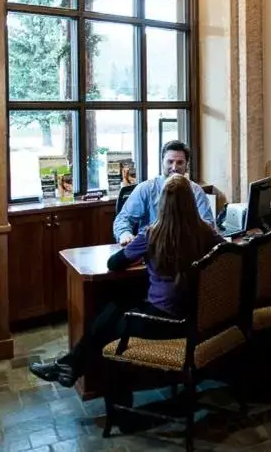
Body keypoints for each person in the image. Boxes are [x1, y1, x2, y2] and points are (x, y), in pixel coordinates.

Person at [30, 174, 225, 387]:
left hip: (163, 322)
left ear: (162, 203)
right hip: (195, 318)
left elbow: (114, 263)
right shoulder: (205, 231)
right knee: (115, 307)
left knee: (106, 319)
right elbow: (225, 251)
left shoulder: (152, 234)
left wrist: (140, 256)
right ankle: (69, 367)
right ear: (191, 201)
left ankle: (89, 379)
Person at [113, 140, 215, 245]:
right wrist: (125, 235)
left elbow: (208, 225)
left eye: (180, 162)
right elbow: (123, 219)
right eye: (170, 162)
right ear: (162, 162)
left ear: (186, 165)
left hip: (186, 248)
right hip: (151, 246)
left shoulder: (196, 191)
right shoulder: (146, 189)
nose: (174, 168)